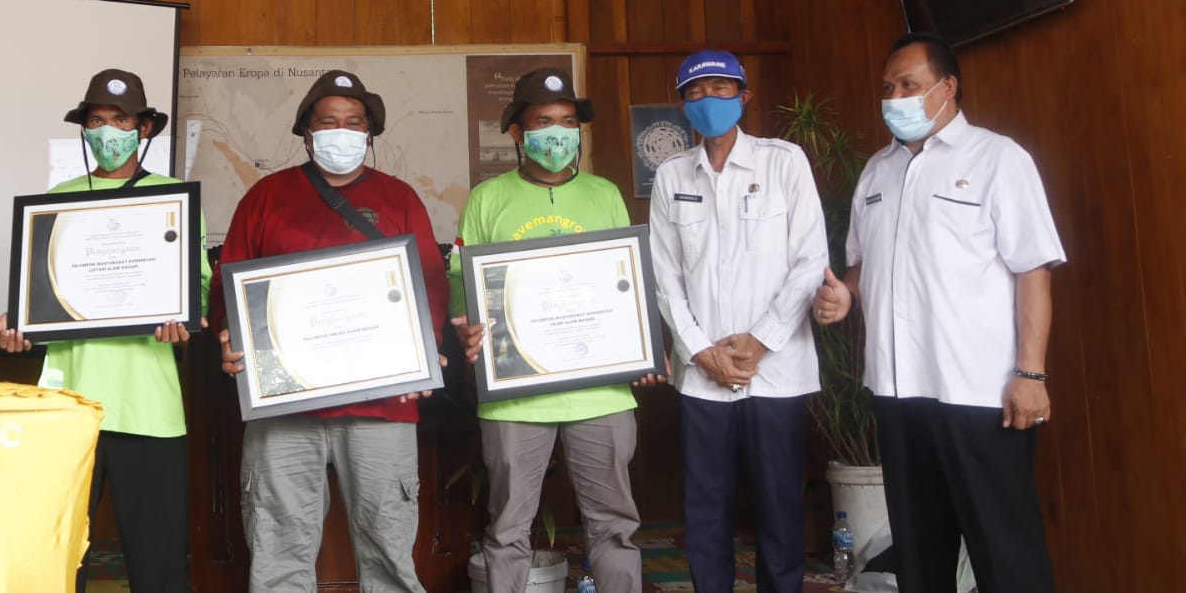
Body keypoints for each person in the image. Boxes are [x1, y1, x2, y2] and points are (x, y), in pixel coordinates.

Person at [814, 33, 1063, 593]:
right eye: (887, 87)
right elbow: (862, 267)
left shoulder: (999, 159)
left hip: (980, 396)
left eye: (909, 85)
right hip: (900, 396)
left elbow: (1033, 271)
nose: (895, 97)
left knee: (1006, 554)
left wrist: (1030, 373)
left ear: (948, 88)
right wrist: (846, 296)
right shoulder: (876, 172)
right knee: (920, 560)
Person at [214, 70, 450, 592]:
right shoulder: (265, 197)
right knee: (278, 547)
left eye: (354, 123)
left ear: (369, 135)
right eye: (328, 122)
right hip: (282, 406)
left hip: (384, 401)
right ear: (306, 132)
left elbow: (430, 282)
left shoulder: (399, 197)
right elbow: (229, 285)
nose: (341, 133)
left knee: (389, 547)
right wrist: (231, 338)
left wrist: (425, 349)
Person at [448, 67, 660, 593]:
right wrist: (464, 326)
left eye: (567, 122)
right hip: (515, 396)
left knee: (614, 525)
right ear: (518, 133)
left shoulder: (604, 194)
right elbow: (462, 281)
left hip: (601, 391)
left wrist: (645, 344)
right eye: (543, 122)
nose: (558, 134)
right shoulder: (486, 199)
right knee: (507, 528)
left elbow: (626, 280)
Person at [2, 69, 211, 593]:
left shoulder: (174, 200)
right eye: (97, 120)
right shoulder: (59, 198)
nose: (108, 130)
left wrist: (185, 319)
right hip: (68, 405)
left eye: (121, 120)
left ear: (143, 128)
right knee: (56, 553)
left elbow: (199, 293)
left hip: (149, 406)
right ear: (84, 129)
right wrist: (18, 323)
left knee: (158, 558)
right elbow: (42, 297)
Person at [646, 50, 827, 593]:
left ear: (744, 97)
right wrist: (701, 351)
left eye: (722, 90)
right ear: (683, 105)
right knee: (706, 510)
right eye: (696, 93)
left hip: (776, 369)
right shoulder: (671, 175)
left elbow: (810, 261)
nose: (709, 101)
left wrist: (760, 341)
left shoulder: (784, 161)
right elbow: (665, 277)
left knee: (779, 505)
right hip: (703, 377)